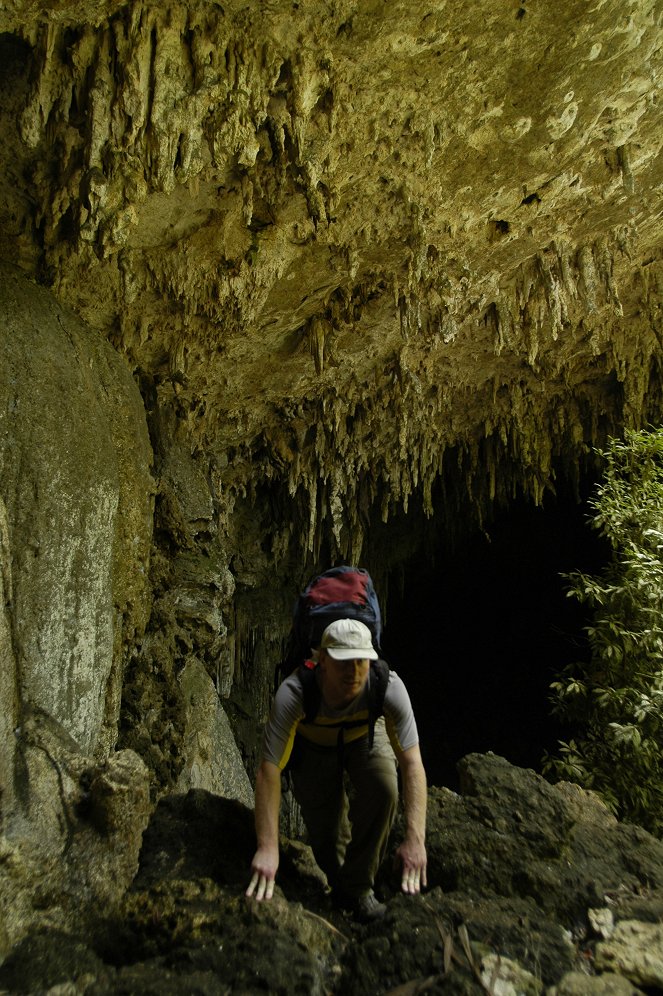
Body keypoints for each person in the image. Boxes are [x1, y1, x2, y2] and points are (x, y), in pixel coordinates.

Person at [245, 617, 427, 921]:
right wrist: (267, 847)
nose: (354, 672)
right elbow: (268, 770)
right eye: (344, 662)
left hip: (365, 734)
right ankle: (341, 888)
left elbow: (412, 763)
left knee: (385, 788)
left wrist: (415, 839)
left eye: (361, 661)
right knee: (327, 838)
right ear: (323, 661)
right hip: (313, 744)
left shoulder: (388, 687)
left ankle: (358, 891)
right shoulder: (296, 692)